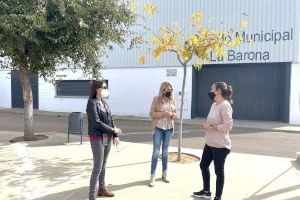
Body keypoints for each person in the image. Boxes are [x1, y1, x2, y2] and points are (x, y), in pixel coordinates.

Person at [193, 81, 233, 200]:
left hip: (220, 146)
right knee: (203, 165)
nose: (210, 91)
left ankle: (218, 196)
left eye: (212, 89)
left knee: (218, 171)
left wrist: (211, 127)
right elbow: (213, 121)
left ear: (218, 91)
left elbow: (228, 125)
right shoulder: (214, 105)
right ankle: (206, 192)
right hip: (210, 143)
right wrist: (206, 125)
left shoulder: (225, 105)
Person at [86, 80, 122, 200]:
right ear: (97, 89)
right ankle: (91, 196)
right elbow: (96, 123)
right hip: (97, 137)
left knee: (104, 164)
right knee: (98, 166)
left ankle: (101, 189)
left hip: (107, 137)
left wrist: (115, 135)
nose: (106, 89)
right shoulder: (91, 103)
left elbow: (111, 119)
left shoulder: (104, 103)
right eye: (104, 87)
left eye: (106, 87)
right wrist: (113, 131)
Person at [149, 82, 176, 187]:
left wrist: (172, 115)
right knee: (156, 152)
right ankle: (152, 176)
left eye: (170, 89)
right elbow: (151, 114)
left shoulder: (172, 99)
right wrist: (163, 114)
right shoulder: (156, 99)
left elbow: (175, 113)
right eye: (167, 90)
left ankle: (165, 174)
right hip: (158, 128)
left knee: (165, 152)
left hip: (169, 128)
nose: (169, 91)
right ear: (163, 90)